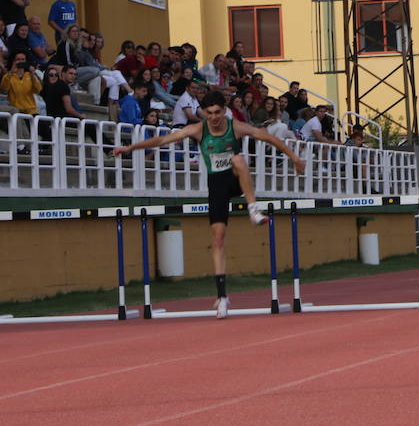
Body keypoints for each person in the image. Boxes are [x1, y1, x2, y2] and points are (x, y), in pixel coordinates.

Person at [113, 90, 307, 318]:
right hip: (216, 185)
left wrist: (295, 158)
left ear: (224, 111)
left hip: (236, 179)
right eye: (210, 113)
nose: (214, 117)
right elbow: (162, 140)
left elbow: (269, 138)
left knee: (238, 159)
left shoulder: (235, 127)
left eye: (217, 112)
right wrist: (130, 148)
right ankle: (222, 296)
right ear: (204, 112)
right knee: (217, 239)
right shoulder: (198, 129)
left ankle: (253, 208)